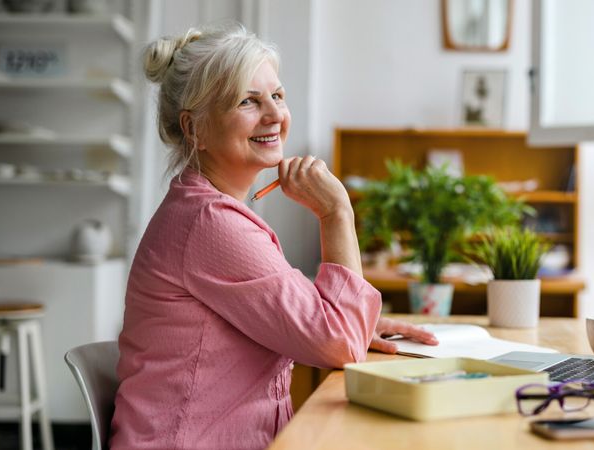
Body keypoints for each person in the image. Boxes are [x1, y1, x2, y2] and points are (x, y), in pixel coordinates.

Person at [109, 24, 437, 450]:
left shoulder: (206, 212)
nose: (274, 115)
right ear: (194, 129)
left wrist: (358, 323)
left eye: (277, 96)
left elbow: (320, 324)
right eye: (248, 101)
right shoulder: (212, 224)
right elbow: (339, 343)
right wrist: (336, 212)